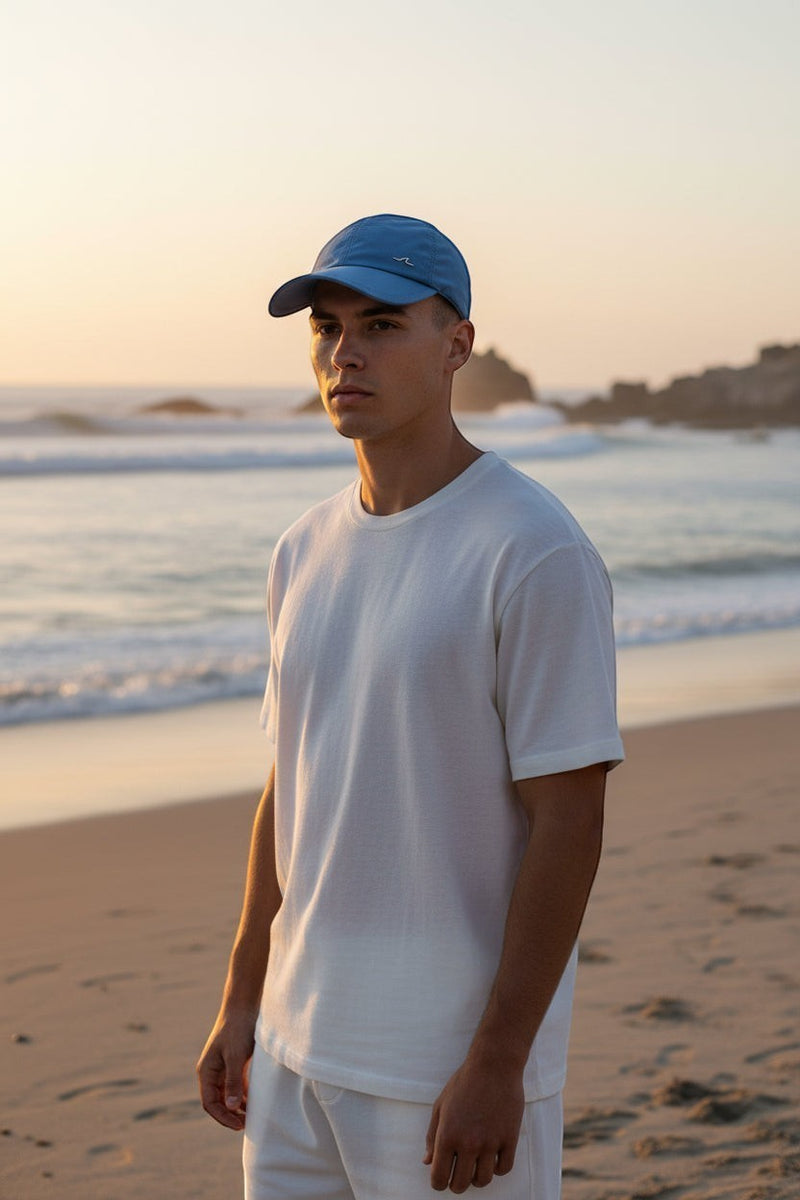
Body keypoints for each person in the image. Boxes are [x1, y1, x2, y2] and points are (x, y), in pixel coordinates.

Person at [197, 213, 624, 1198]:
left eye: (382, 324)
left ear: (455, 345)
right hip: (292, 1054)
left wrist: (498, 1062)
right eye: (327, 328)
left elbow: (570, 818)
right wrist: (240, 999)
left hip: (442, 1072)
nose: (345, 352)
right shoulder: (301, 548)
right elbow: (290, 785)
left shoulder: (531, 549)